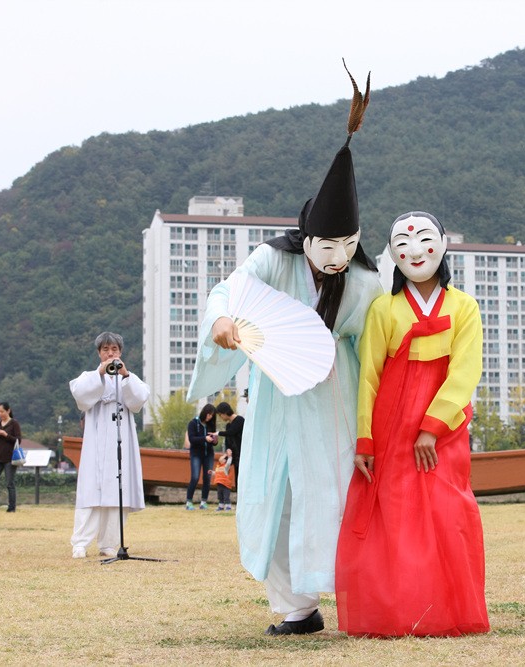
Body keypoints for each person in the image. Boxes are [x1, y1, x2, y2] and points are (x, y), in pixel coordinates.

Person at [187, 63, 381, 637]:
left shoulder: (365, 280)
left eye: (346, 247)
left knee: (333, 495)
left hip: (334, 400)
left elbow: (379, 344)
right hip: (275, 396)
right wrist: (223, 320)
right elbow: (229, 290)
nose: (335, 258)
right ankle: (298, 608)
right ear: (306, 237)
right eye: (326, 247)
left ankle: (358, 597)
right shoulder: (274, 258)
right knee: (273, 495)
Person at [336, 211, 489, 637]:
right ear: (392, 254)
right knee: (396, 518)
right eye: (402, 242)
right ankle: (399, 612)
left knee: (448, 510)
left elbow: (464, 372)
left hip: (445, 425)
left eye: (424, 237)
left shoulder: (464, 307)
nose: (415, 249)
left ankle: (446, 610)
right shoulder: (383, 308)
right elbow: (369, 377)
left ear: (443, 243)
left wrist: (432, 428)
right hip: (390, 423)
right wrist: (365, 440)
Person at [69, 332, 150, 559]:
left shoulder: (129, 377)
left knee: (117, 490)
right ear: (99, 353)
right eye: (105, 349)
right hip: (96, 439)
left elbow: (138, 401)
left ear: (120, 352)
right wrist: (101, 373)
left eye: (114, 349)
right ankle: (81, 542)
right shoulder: (89, 376)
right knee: (91, 489)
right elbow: (81, 397)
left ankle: (109, 543)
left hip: (120, 439)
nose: (110, 353)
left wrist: (125, 375)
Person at [0, 401, 21, 513]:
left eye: (2, 411)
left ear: (8, 411)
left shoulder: (14, 424)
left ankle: (11, 507)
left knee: (10, 483)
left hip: (10, 458)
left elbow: (18, 440)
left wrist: (6, 435)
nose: (0, 414)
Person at [186, 403, 218, 510]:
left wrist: (215, 441)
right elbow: (192, 439)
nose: (209, 417)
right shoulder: (193, 423)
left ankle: (203, 502)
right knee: (195, 477)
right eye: (209, 414)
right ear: (204, 412)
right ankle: (189, 502)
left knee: (207, 478)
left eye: (212, 415)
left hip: (208, 454)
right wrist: (204, 438)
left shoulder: (211, 424)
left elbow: (214, 442)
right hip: (196, 454)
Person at [216, 402, 244, 489]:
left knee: (243, 478)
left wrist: (218, 433)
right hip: (235, 456)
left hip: (243, 454)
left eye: (220, 415)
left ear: (225, 413)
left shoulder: (240, 420)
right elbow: (228, 440)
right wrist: (228, 449)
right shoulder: (228, 425)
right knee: (237, 479)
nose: (221, 417)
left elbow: (231, 432)